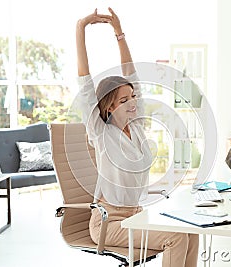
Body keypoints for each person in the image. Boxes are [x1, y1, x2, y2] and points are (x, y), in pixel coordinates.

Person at [76, 8, 199, 267]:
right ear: (109, 106)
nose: (132, 102)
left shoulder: (137, 125)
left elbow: (131, 75)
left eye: (133, 97)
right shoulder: (100, 132)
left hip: (136, 214)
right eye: (124, 99)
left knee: (191, 231)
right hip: (108, 222)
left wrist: (119, 34)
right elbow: (85, 85)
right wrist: (81, 28)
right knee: (176, 238)